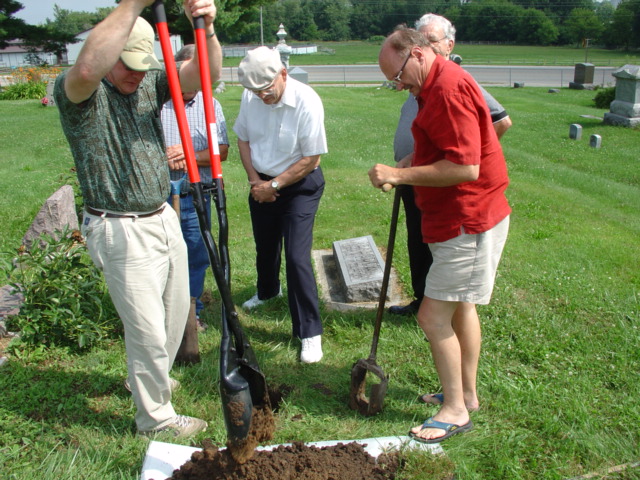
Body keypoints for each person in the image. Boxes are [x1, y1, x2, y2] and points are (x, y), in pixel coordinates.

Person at [53, 0, 221, 438]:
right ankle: (156, 420)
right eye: (127, 64)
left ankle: (147, 378)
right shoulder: (80, 95)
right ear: (109, 55)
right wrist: (132, 3)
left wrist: (206, 28)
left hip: (162, 213)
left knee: (172, 314)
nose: (136, 74)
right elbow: (88, 70)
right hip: (119, 226)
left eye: (143, 66)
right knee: (146, 326)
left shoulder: (146, 81)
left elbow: (205, 76)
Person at [370, 26, 511, 443]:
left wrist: (399, 172)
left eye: (397, 78)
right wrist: (417, 158)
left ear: (415, 53)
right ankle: (466, 395)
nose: (397, 87)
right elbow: (449, 149)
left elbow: (466, 167)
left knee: (432, 317)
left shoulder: (447, 91)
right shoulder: (431, 85)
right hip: (462, 217)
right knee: (461, 308)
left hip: (467, 220)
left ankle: (454, 411)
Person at [389, 13, 512, 317]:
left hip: (446, 188)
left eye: (431, 40)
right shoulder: (425, 82)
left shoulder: (450, 84)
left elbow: (497, 125)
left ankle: (434, 307)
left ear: (447, 45)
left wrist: (410, 169)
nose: (400, 84)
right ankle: (425, 300)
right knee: (419, 246)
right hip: (419, 178)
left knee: (445, 300)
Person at [233, 46, 328, 364]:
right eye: (255, 91)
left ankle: (309, 333)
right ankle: (268, 291)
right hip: (260, 181)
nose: (262, 96)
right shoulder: (252, 96)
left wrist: (274, 185)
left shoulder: (307, 101)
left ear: (283, 74)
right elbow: (243, 139)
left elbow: (311, 158)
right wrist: (255, 182)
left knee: (297, 256)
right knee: (265, 243)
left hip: (300, 185)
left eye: (266, 89)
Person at [161, 44, 229, 328]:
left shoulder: (210, 104)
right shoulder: (157, 103)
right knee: (159, 256)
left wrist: (189, 155)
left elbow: (221, 151)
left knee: (196, 255)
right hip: (159, 196)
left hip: (194, 194)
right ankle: (162, 313)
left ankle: (192, 312)